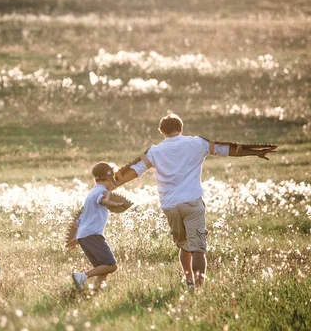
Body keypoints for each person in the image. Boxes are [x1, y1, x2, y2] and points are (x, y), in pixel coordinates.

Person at [116, 114, 275, 290]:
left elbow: (134, 170)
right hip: (191, 203)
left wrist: (109, 186)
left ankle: (189, 281)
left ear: (161, 131)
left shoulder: (154, 151)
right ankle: (199, 289)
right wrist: (255, 152)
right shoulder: (196, 143)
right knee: (198, 248)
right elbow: (226, 149)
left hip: (170, 206)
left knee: (184, 245)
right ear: (181, 128)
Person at [71, 162, 124, 291]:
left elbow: (82, 217)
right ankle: (82, 277)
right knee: (111, 266)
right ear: (109, 178)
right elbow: (102, 200)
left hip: (85, 235)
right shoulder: (101, 191)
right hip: (92, 234)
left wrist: (75, 236)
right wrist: (113, 204)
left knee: (102, 268)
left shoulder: (92, 191)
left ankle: (95, 292)